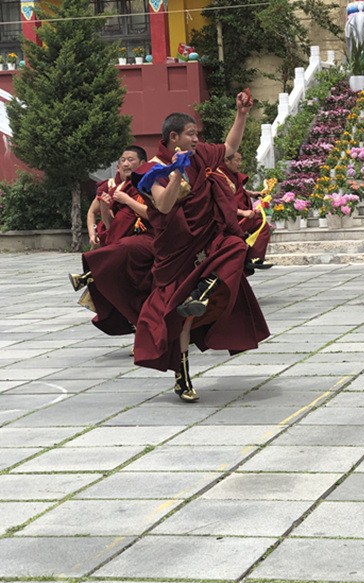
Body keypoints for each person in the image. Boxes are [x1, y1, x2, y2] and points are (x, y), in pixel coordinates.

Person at [133, 94, 270, 402]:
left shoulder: (201, 155)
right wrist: (177, 171)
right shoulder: (149, 170)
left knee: (235, 246)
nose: (197, 139)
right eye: (191, 134)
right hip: (174, 252)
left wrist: (242, 114)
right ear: (173, 137)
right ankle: (182, 377)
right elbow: (165, 206)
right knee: (181, 318)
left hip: (205, 240)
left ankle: (204, 291)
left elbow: (230, 148)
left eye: (197, 134)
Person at [69, 145, 154, 336]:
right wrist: (103, 214)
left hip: (144, 239)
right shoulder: (112, 186)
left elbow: (154, 214)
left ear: (142, 164)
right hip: (119, 239)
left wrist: (126, 200)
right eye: (122, 160)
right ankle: (93, 276)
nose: (125, 163)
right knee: (118, 277)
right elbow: (107, 223)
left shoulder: (149, 184)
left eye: (130, 159)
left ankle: (91, 274)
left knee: (122, 257)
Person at [215, 150, 273, 270]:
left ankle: (253, 258)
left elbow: (237, 190)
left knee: (261, 224)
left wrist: (253, 194)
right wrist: (242, 212)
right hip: (230, 220)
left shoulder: (231, 174)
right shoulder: (219, 177)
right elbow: (222, 203)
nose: (240, 163)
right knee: (261, 225)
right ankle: (251, 258)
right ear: (226, 160)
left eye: (240, 160)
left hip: (241, 216)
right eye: (237, 160)